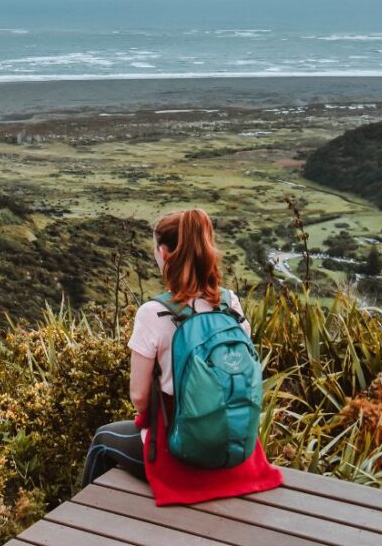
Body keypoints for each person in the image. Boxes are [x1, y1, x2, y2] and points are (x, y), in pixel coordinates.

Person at [81, 208, 282, 505]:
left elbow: (139, 398)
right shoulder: (230, 303)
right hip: (239, 453)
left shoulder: (154, 312)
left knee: (101, 441)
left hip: (181, 455)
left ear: (163, 253)